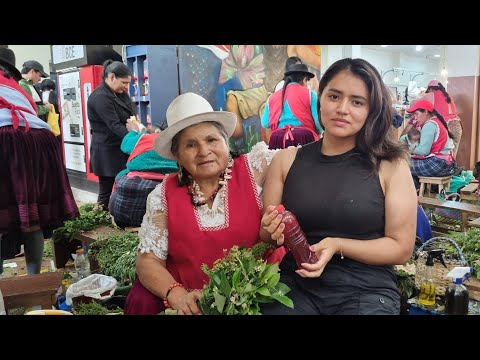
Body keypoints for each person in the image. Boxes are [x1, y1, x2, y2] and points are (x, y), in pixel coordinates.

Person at [259, 58, 417, 315]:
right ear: (320, 100)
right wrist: (271, 229)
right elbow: (267, 236)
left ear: (371, 110)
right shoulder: (285, 161)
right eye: (334, 96)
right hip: (296, 287)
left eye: (357, 102)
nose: (342, 109)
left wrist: (337, 244)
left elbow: (401, 248)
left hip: (366, 290)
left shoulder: (390, 166)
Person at [124, 92, 283, 315]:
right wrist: (176, 294)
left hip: (254, 294)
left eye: (211, 140)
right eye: (190, 145)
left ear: (225, 142)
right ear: (177, 156)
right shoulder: (162, 196)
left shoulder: (256, 168)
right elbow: (148, 260)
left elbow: (298, 160)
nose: (204, 151)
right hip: (191, 299)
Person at [0, 48, 79, 276]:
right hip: (40, 140)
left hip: (6, 138)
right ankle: (34, 279)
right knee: (32, 215)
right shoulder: (20, 88)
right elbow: (33, 113)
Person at [108, 124, 179, 229]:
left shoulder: (144, 137)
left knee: (122, 175)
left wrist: (134, 131)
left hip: (121, 215)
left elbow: (125, 144)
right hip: (157, 219)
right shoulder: (177, 142)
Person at [87, 60, 135, 210]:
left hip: (120, 148)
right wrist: (136, 139)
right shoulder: (100, 97)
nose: (126, 87)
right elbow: (114, 125)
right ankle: (101, 218)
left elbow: (130, 116)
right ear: (112, 76)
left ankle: (115, 214)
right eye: (124, 82)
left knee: (121, 187)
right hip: (106, 151)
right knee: (106, 191)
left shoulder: (119, 94)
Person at [261, 62, 321, 149]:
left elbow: (265, 123)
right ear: (304, 79)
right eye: (307, 81)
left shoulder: (272, 97)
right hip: (304, 139)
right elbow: (318, 124)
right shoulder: (310, 94)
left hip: (278, 140)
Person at [406, 99, 457, 186]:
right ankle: (418, 189)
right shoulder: (437, 122)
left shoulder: (429, 125)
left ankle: (413, 191)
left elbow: (423, 151)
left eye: (416, 114)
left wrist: (409, 149)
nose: (415, 117)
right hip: (447, 165)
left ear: (425, 112)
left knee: (401, 164)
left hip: (437, 165)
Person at [426, 80, 462, 158]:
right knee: (453, 154)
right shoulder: (448, 95)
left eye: (428, 90)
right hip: (456, 125)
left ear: (431, 89)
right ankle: (453, 169)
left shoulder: (431, 95)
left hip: (445, 126)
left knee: (442, 155)